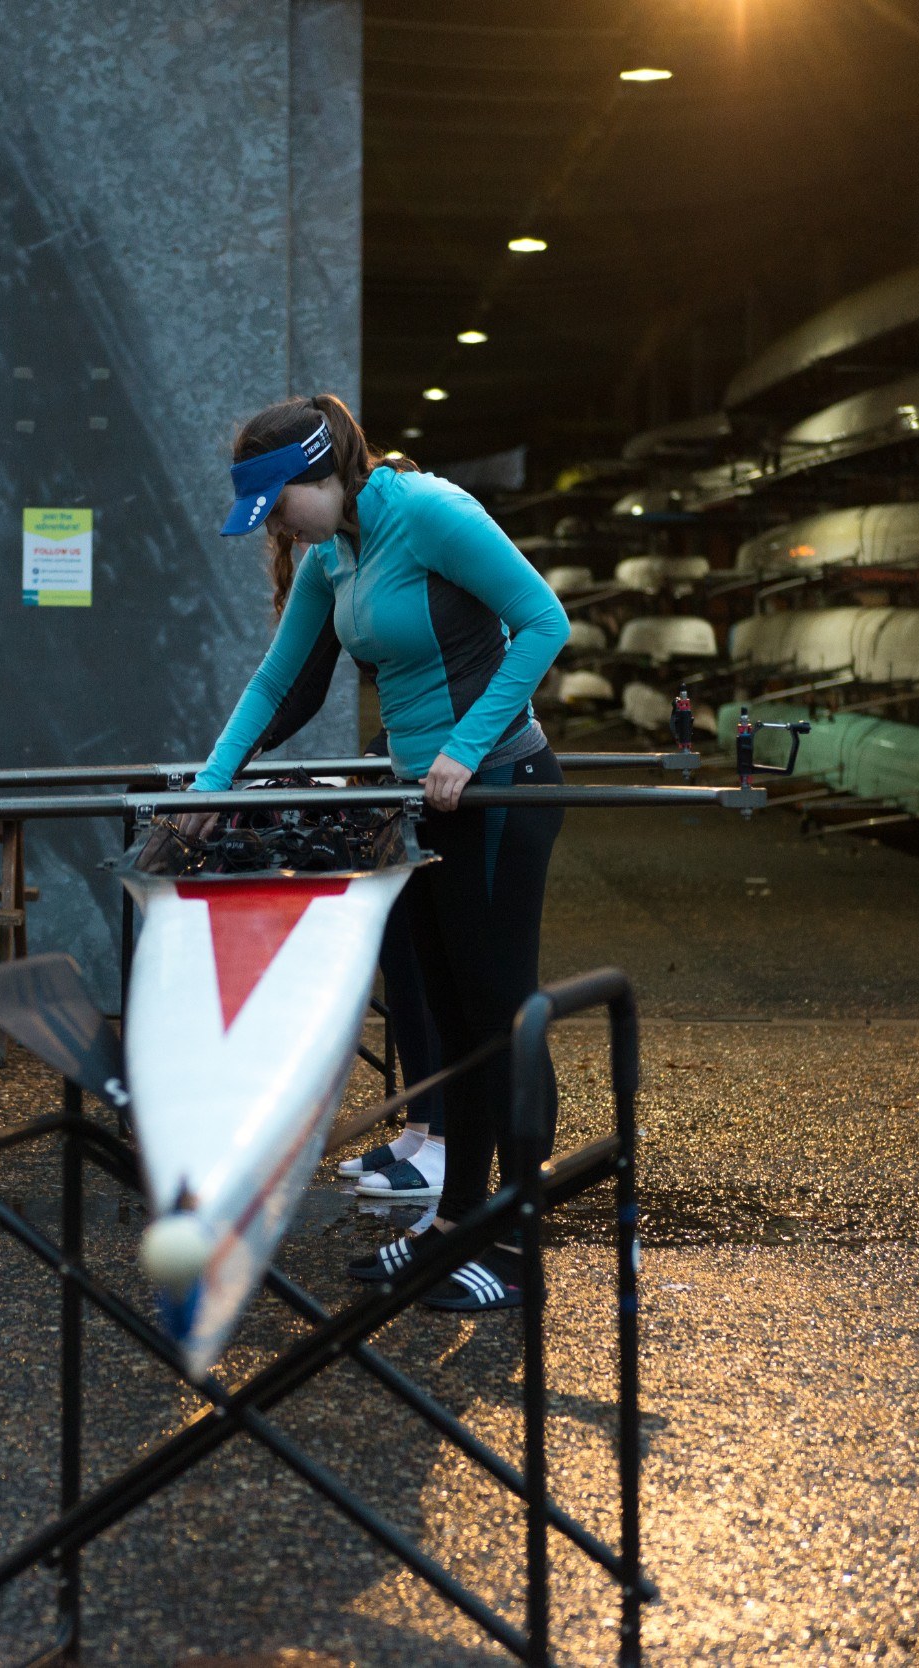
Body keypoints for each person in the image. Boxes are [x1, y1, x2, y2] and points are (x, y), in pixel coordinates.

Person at [196, 393, 568, 1312]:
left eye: (281, 506)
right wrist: (205, 791)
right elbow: (281, 681)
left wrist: (465, 745)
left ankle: (514, 1252)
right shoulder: (339, 554)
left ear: (322, 475)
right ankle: (453, 1228)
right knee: (443, 1018)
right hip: (430, 802)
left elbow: (544, 621)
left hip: (498, 794)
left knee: (495, 1019)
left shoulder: (429, 512)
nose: (279, 527)